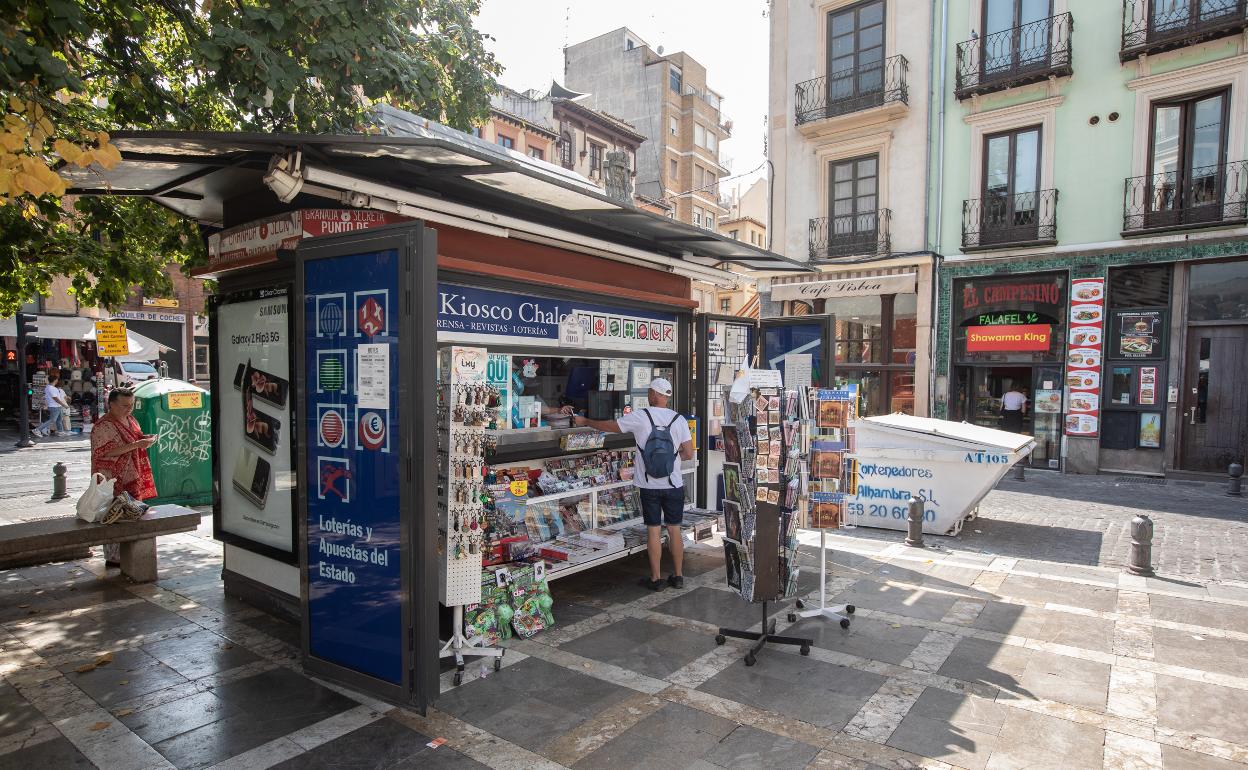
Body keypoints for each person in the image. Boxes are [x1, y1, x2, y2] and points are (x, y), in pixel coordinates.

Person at [575, 377, 694, 591]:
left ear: (655, 395)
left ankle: (656, 579)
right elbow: (688, 453)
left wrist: (585, 422)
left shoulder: (641, 417)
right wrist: (671, 458)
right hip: (673, 484)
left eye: (650, 392)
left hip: (649, 486)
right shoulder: (680, 420)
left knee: (654, 531)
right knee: (675, 530)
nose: (649, 395)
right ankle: (678, 576)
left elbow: (611, 426)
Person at [91, 387, 158, 502]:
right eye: (125, 406)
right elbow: (106, 451)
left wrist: (144, 439)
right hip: (112, 478)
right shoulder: (103, 425)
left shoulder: (131, 419)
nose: (129, 409)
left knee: (133, 510)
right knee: (113, 511)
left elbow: (134, 437)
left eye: (132, 405)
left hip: (132, 474)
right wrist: (137, 444)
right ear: (112, 404)